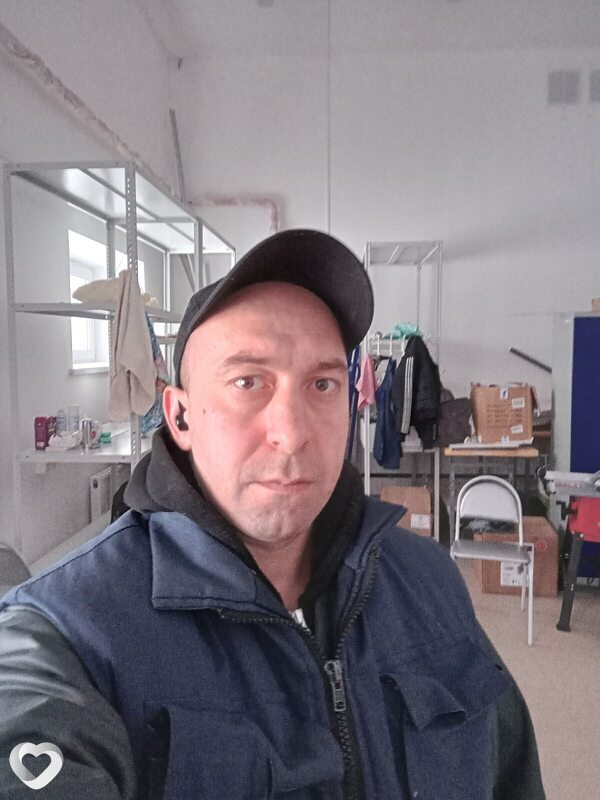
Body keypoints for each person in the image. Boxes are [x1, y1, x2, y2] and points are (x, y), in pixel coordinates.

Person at [0, 229, 545, 799]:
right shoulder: (65, 633)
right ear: (180, 417)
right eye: (248, 382)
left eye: (322, 383)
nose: (291, 433)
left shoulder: (430, 581)